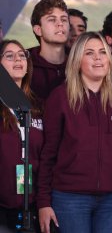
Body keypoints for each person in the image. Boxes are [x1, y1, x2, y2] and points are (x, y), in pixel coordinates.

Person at [37, 32, 112, 233]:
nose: (98, 58)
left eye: (103, 52)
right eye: (90, 53)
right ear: (77, 60)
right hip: (69, 198)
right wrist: (43, 201)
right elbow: (48, 153)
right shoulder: (60, 97)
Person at [0, 40, 43, 231]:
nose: (18, 59)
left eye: (22, 54)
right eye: (9, 56)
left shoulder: (37, 107)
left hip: (29, 206)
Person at [29, 0, 69, 100]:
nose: (60, 24)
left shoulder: (79, 63)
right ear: (38, 30)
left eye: (64, 19)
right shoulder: (25, 64)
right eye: (52, 19)